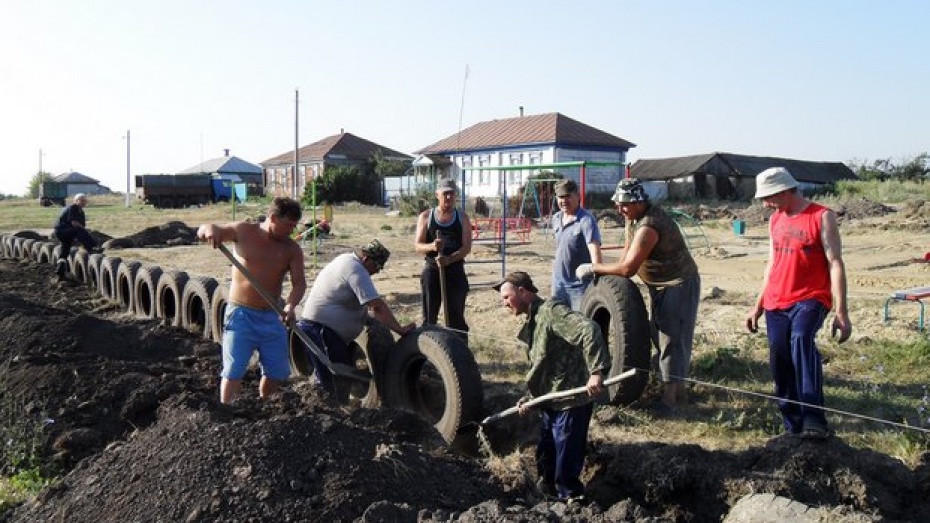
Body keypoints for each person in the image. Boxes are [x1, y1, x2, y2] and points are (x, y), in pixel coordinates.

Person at [745, 167, 852, 440]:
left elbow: (835, 263)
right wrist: (757, 305)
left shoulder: (821, 216)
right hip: (775, 300)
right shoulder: (774, 220)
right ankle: (792, 425)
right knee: (779, 358)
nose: (765, 203)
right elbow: (771, 264)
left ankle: (814, 418)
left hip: (811, 296)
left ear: (783, 190)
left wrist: (841, 311)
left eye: (767, 197)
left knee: (801, 339)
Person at [579, 178, 700, 412]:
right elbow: (626, 257)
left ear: (638, 202)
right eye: (618, 204)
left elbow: (628, 269)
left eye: (624, 204)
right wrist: (609, 284)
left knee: (671, 339)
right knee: (659, 334)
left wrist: (595, 267)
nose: (619, 209)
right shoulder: (633, 220)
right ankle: (676, 390)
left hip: (678, 284)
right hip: (660, 285)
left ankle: (672, 399)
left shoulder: (649, 225)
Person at [495, 271, 610, 502]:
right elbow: (543, 366)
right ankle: (547, 500)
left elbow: (589, 329)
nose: (505, 304)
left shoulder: (552, 312)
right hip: (551, 402)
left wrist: (596, 373)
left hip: (570, 403)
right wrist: (530, 397)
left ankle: (573, 503)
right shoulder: (533, 320)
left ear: (522, 291)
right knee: (545, 461)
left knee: (565, 468)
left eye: (507, 298)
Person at [197, 197, 307, 404]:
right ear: (273, 217)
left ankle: (266, 407)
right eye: (287, 225)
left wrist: (291, 306)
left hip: (273, 317)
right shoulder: (244, 231)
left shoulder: (291, 249)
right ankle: (226, 409)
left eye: (294, 226)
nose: (291, 231)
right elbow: (206, 228)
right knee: (234, 369)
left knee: (277, 372)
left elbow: (299, 284)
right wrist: (209, 232)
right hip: (241, 315)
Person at [298, 239, 415, 402]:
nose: (376, 272)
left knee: (339, 374)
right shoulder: (355, 269)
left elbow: (357, 304)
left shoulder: (347, 260)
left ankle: (337, 407)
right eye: (377, 267)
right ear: (367, 259)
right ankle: (327, 414)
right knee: (333, 378)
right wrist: (399, 329)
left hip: (325, 330)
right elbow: (377, 306)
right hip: (319, 330)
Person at [414, 177, 472, 339]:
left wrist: (450, 259)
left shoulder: (462, 218)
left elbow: (466, 247)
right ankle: (426, 355)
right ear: (437, 194)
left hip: (455, 272)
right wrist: (432, 246)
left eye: (452, 194)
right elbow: (418, 246)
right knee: (429, 318)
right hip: (433, 271)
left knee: (456, 320)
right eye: (445, 193)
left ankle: (460, 355)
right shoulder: (426, 217)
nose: (449, 197)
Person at [551, 179, 602, 311]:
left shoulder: (586, 221)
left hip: (579, 286)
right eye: (560, 197)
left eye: (568, 196)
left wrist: (597, 274)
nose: (564, 201)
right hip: (558, 283)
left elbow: (594, 251)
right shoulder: (556, 218)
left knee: (581, 324)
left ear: (577, 196)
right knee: (558, 322)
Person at [53, 193, 98, 281]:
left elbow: (82, 225)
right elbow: (74, 223)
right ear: (75, 201)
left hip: (67, 232)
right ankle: (91, 247)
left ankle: (60, 272)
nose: (83, 203)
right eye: (81, 200)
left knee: (64, 252)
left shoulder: (81, 212)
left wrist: (83, 231)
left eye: (85, 201)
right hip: (62, 231)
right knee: (79, 230)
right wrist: (84, 233)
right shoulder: (73, 208)